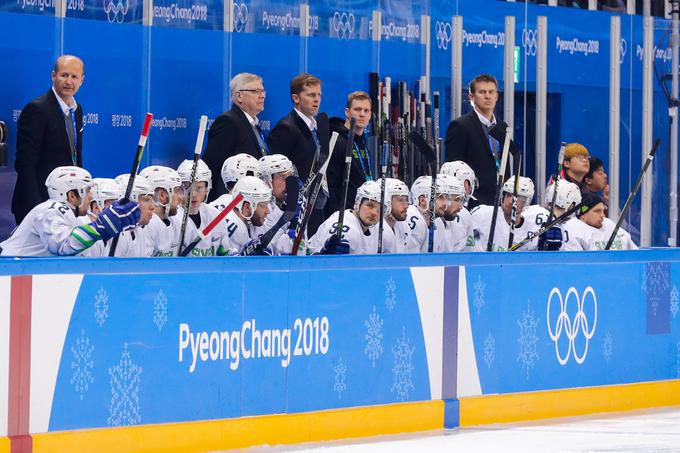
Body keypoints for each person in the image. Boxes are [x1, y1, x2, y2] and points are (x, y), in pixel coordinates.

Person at [0, 166, 139, 256]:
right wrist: (102, 227)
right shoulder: (50, 210)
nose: (91, 196)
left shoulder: (67, 214)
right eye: (87, 190)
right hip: (10, 276)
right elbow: (62, 245)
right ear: (71, 195)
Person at [12, 55, 85, 224]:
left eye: (74, 77)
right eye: (64, 75)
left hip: (66, 204)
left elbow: (75, 155)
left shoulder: (77, 110)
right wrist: (37, 208)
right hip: (37, 204)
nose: (69, 81)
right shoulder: (37, 109)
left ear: (82, 80)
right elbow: (25, 164)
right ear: (53, 76)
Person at [267, 74, 326, 235]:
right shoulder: (287, 128)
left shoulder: (315, 126)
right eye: (311, 95)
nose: (317, 99)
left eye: (319, 95)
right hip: (297, 208)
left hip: (316, 204)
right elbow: (276, 172)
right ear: (296, 98)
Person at [444, 74, 517, 205]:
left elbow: (504, 163)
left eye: (491, 92)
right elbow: (453, 168)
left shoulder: (502, 127)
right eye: (482, 92)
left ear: (497, 96)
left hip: (501, 202)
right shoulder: (460, 126)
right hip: (474, 202)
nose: (487, 96)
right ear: (472, 96)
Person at [203, 73, 270, 202]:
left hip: (252, 200)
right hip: (232, 203)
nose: (262, 95)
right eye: (256, 91)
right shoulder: (228, 122)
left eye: (263, 91)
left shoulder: (253, 124)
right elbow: (212, 166)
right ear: (239, 96)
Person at [471, 176, 554, 251]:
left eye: (518, 197)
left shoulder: (536, 224)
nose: (511, 201)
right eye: (508, 195)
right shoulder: (483, 214)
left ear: (526, 202)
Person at [327, 92, 374, 217]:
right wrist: (335, 216)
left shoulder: (363, 142)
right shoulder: (337, 141)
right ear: (347, 112)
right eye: (357, 109)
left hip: (364, 214)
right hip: (343, 216)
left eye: (366, 110)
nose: (362, 114)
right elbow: (330, 183)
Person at [309, 180, 382, 255]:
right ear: (357, 203)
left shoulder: (372, 229)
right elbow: (321, 261)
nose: (374, 213)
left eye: (380, 209)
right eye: (370, 205)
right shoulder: (347, 228)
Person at [176, 159, 228, 256]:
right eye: (187, 187)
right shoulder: (173, 218)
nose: (194, 194)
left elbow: (224, 251)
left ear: (207, 188)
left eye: (199, 188)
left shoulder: (215, 216)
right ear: (178, 189)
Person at [252, 154, 300, 255]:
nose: (288, 184)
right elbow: (278, 251)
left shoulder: (286, 206)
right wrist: (295, 224)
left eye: (290, 178)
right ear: (266, 181)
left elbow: (304, 249)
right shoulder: (261, 211)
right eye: (283, 178)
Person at [138, 166, 186, 256]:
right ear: (162, 195)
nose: (181, 197)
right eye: (177, 191)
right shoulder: (149, 225)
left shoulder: (175, 219)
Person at [220, 176, 272, 256]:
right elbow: (229, 265)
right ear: (247, 207)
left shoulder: (226, 200)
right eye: (263, 205)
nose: (267, 211)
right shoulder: (236, 228)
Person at [378, 178, 411, 254]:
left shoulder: (404, 227)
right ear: (386, 201)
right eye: (400, 200)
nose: (406, 206)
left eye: (406, 200)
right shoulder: (375, 230)